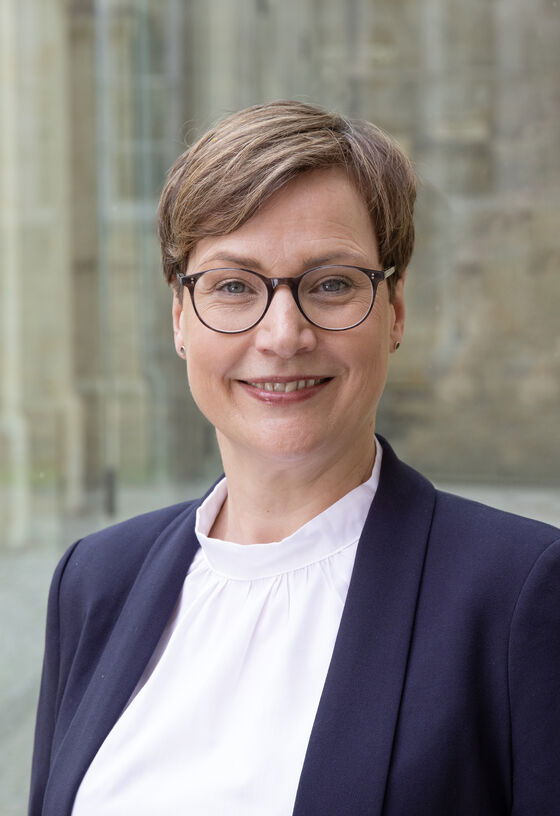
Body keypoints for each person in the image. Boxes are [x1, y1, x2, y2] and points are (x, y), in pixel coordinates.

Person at [29, 101, 560, 816]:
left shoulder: (518, 594)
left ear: (395, 309)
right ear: (180, 317)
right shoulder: (96, 580)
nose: (283, 334)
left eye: (332, 283)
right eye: (233, 285)